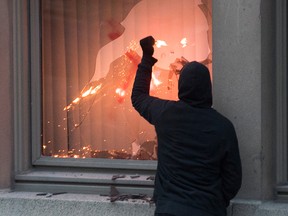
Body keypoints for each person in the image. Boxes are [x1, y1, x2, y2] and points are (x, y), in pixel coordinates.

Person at [131, 36, 242, 216]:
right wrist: (215, 201)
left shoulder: (166, 114)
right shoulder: (223, 127)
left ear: (182, 85)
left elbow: (138, 97)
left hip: (169, 210)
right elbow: (233, 179)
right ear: (208, 88)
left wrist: (147, 58)